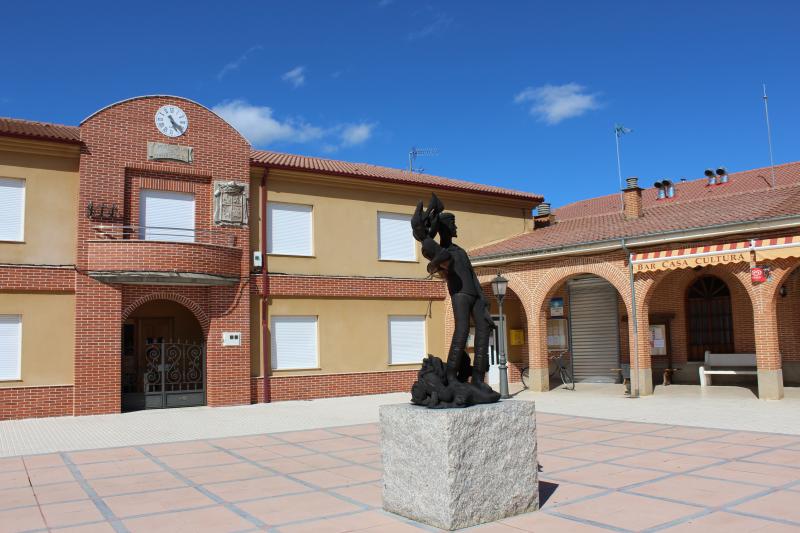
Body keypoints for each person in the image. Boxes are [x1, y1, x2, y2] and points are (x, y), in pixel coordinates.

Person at [412, 195, 496, 395]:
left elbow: (473, 275)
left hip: (474, 293)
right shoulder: (438, 247)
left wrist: (482, 297)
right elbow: (436, 256)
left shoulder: (460, 250)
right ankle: (451, 376)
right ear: (444, 227)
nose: (456, 228)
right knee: (462, 330)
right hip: (460, 293)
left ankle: (477, 379)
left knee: (484, 329)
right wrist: (434, 264)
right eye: (453, 224)